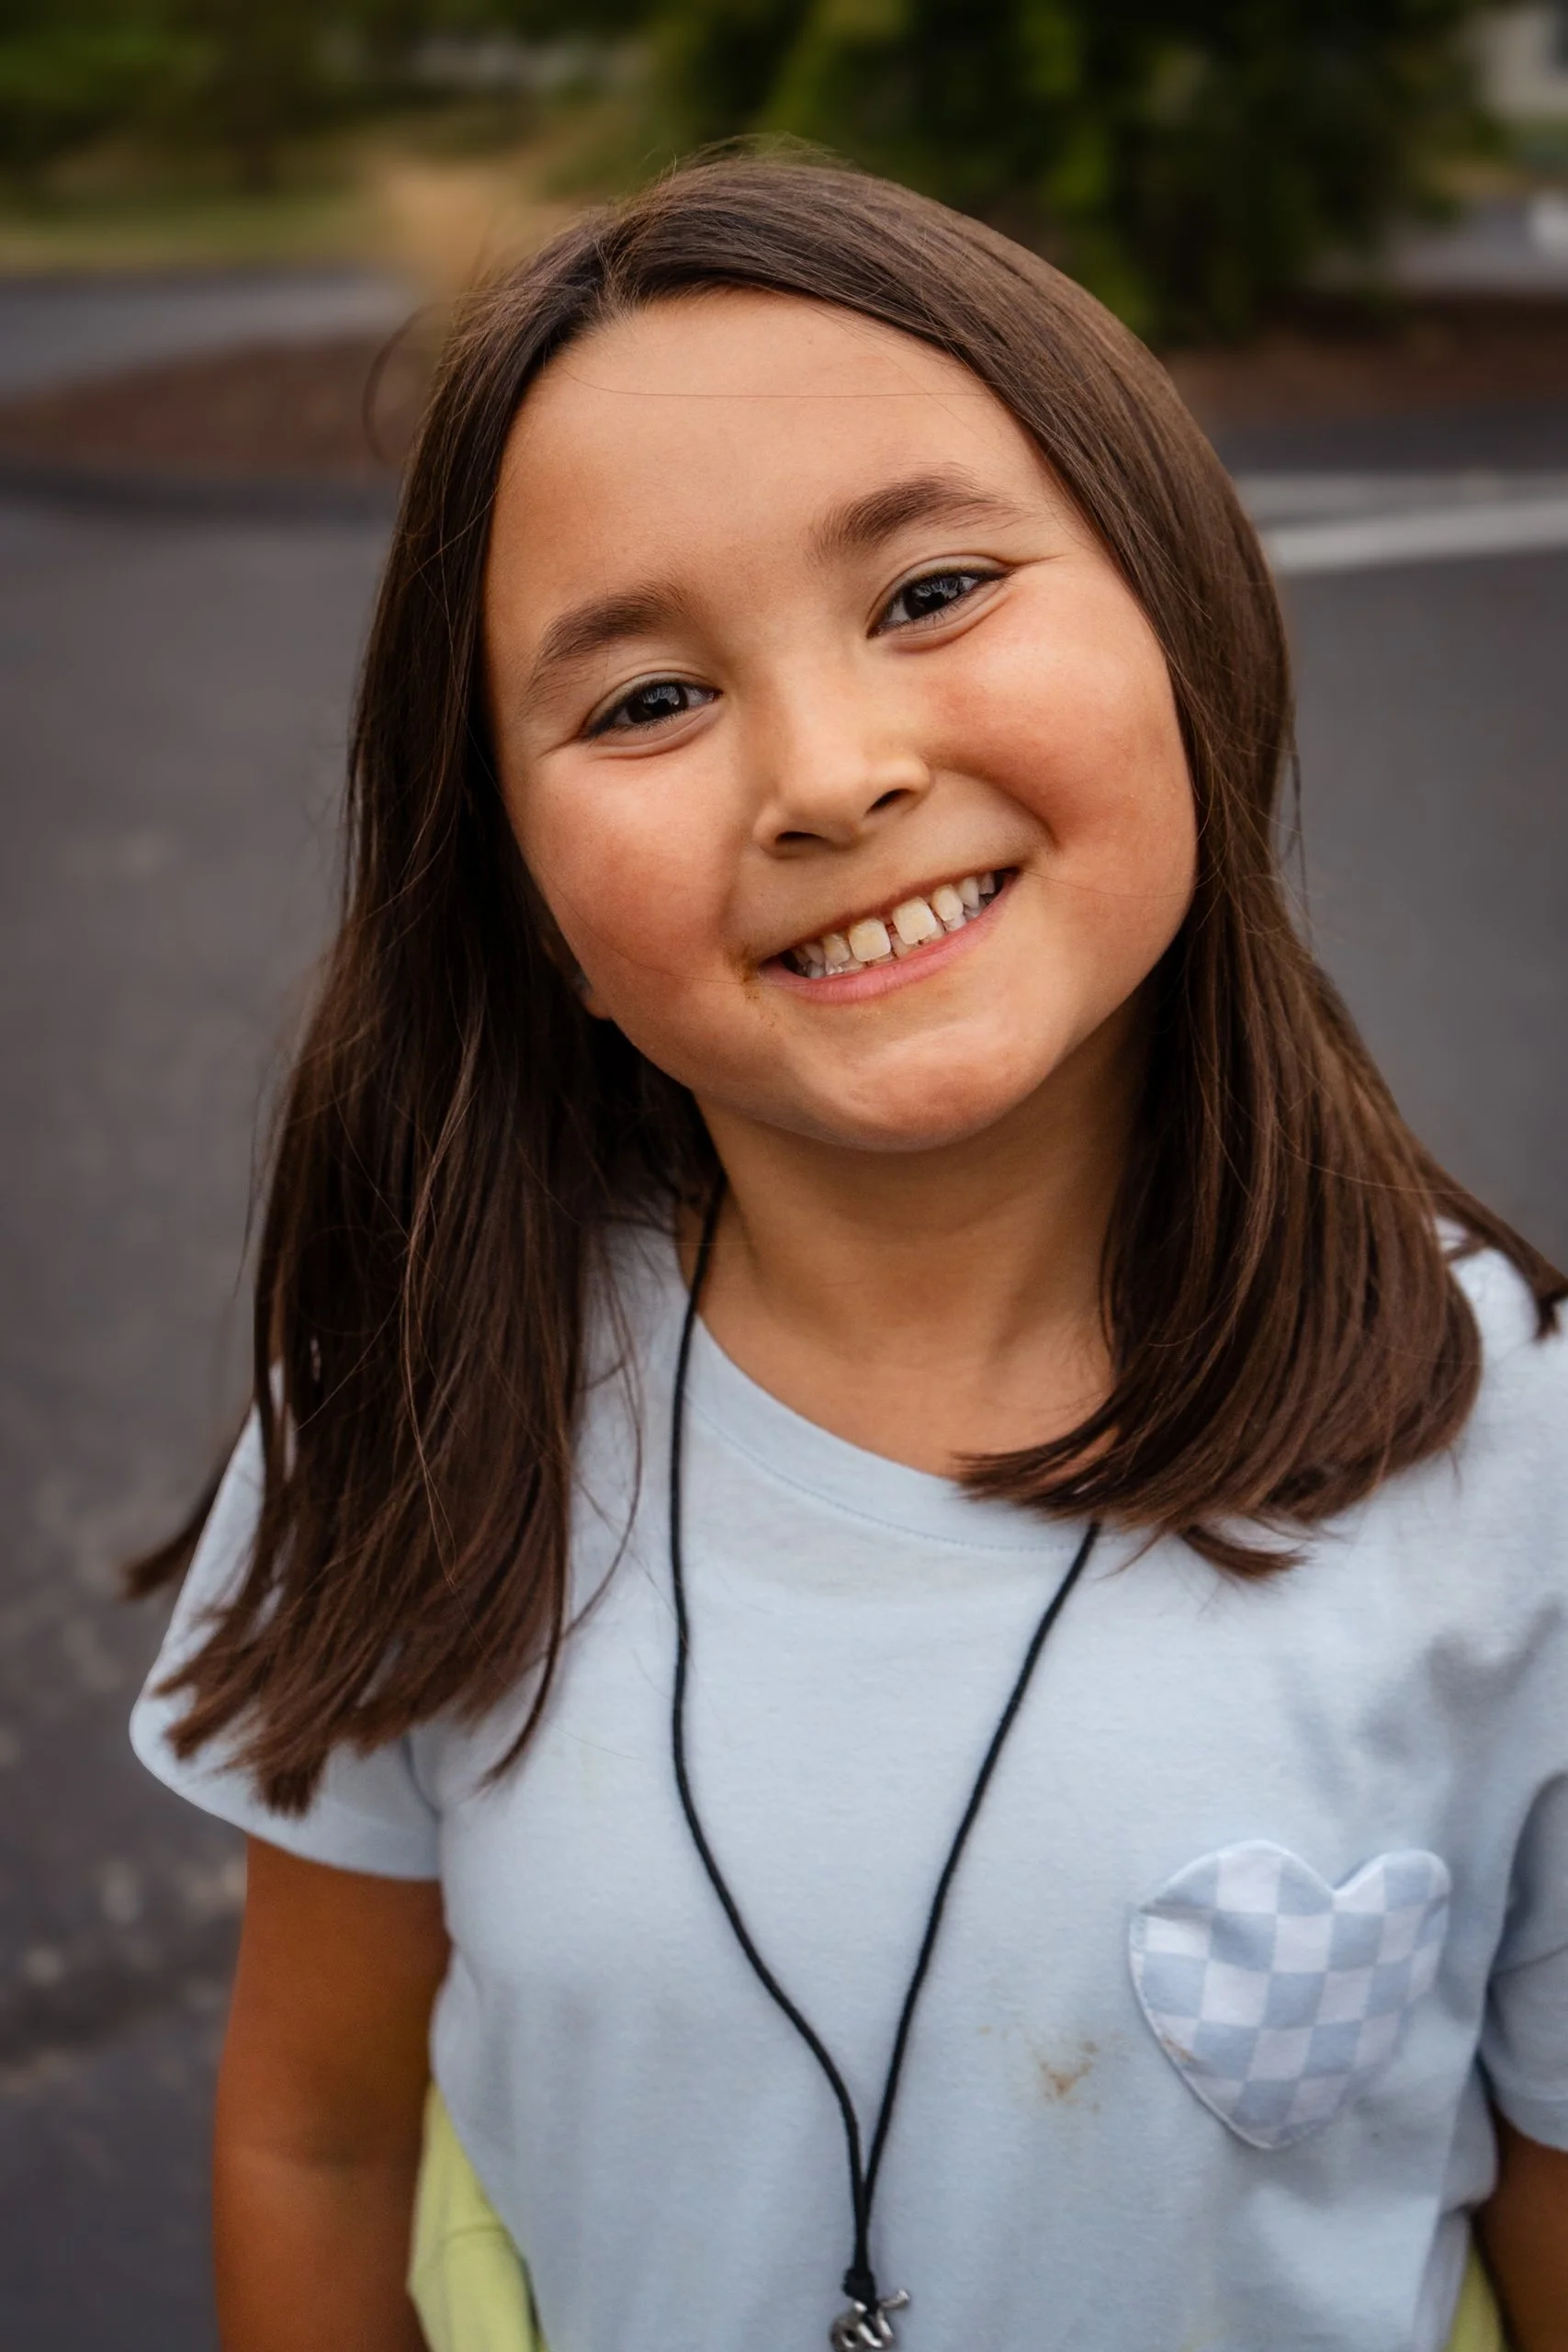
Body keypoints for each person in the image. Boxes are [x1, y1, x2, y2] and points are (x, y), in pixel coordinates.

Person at [130, 156, 1568, 2352]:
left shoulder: (1521, 1464)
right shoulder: (420, 1404)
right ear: (521, 895)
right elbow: (315, 2136)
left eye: (929, 591)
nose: (825, 774)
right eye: (640, 703)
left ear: (1181, 604)